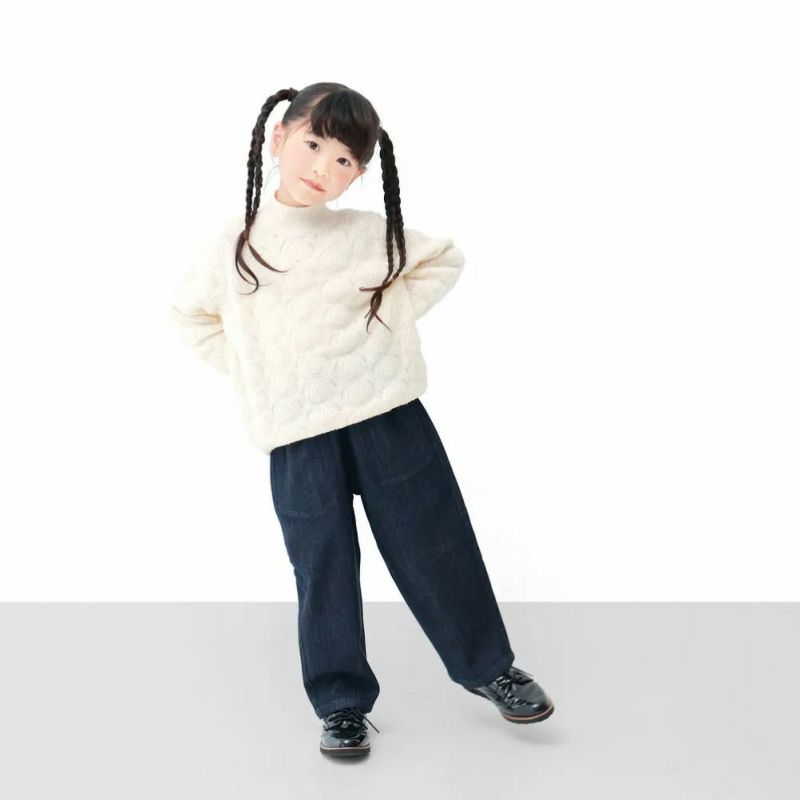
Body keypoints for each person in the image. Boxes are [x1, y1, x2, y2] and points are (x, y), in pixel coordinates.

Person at [171, 82, 554, 758]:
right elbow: (191, 317)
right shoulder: (232, 246)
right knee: (322, 565)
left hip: (387, 414)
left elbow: (442, 259)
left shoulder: (363, 234)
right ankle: (341, 703)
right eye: (314, 144)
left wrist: (387, 323)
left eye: (345, 159)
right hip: (297, 432)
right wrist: (257, 367)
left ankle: (488, 667)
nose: (324, 167)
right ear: (279, 138)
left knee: (434, 541)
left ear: (360, 173)